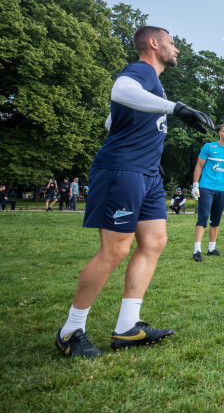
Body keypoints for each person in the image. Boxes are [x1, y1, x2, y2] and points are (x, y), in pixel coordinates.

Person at [56, 25, 214, 358]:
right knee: (115, 250)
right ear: (153, 43)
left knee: (154, 242)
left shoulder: (153, 84)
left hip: (148, 174)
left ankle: (127, 327)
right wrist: (176, 108)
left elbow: (111, 122)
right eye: (172, 43)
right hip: (123, 171)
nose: (177, 49)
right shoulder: (141, 70)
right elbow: (120, 90)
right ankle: (70, 330)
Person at [191, 123, 224, 262]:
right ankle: (197, 250)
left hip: (222, 189)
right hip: (206, 187)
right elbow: (199, 165)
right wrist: (195, 185)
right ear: (219, 133)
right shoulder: (208, 147)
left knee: (216, 219)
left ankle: (211, 249)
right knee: (203, 217)